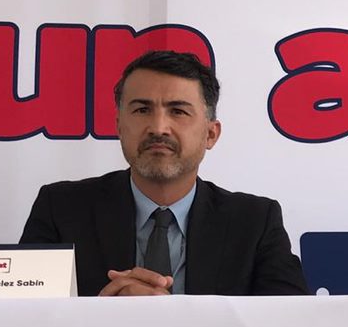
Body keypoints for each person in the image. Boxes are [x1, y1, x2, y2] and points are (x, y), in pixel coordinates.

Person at [20, 50, 308, 296]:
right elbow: (20, 319)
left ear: (210, 134)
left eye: (178, 111)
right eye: (142, 110)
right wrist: (100, 313)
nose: (158, 128)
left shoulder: (255, 222)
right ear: (119, 126)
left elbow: (290, 325)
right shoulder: (61, 209)